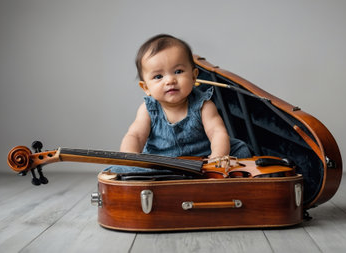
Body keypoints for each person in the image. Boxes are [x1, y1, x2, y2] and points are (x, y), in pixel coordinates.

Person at [108, 34, 251, 173]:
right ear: (146, 88)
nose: (170, 80)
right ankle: (155, 174)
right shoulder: (147, 109)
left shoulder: (204, 106)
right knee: (120, 167)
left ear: (194, 76)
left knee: (241, 150)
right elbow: (136, 136)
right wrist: (131, 158)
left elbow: (217, 132)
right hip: (162, 162)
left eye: (178, 71)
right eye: (158, 76)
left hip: (202, 161)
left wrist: (217, 157)